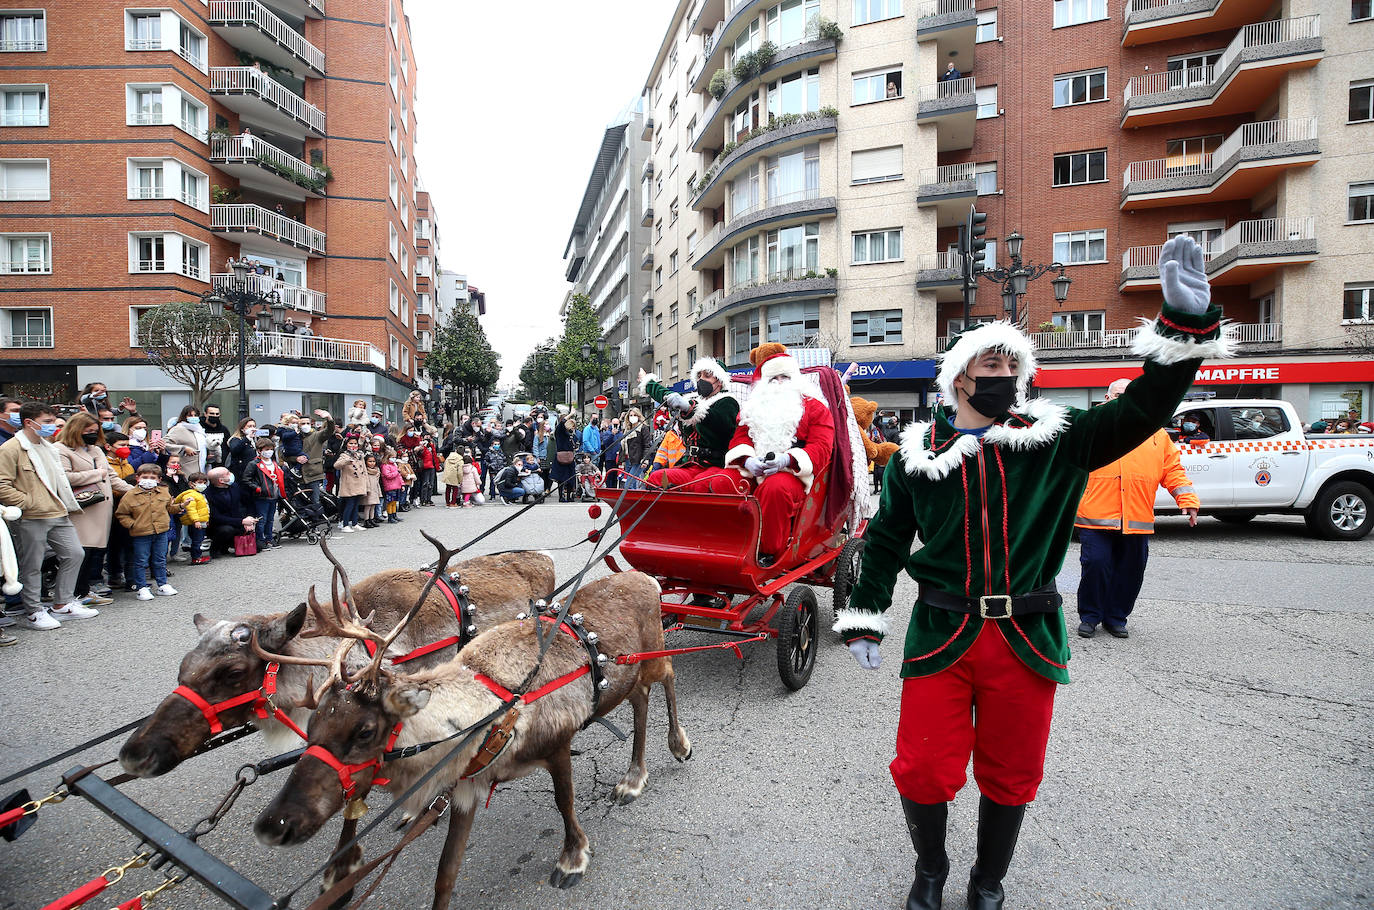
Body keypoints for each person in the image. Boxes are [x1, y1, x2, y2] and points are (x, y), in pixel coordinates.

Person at [835, 235, 1228, 910]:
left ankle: (988, 882)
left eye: (1012, 363)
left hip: (1029, 634)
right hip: (941, 631)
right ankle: (931, 869)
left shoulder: (1059, 439)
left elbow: (1142, 409)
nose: (1003, 370)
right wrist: (865, 616)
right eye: (991, 360)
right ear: (960, 377)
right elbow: (889, 538)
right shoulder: (916, 457)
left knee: (1013, 773)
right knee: (924, 768)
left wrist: (1183, 332)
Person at [1075, 379, 1201, 639]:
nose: (1125, 400)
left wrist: (1187, 500)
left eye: (1130, 395)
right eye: (1119, 395)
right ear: (1107, 399)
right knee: (1096, 565)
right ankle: (1090, 616)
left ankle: (1116, 617)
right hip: (1095, 516)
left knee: (1130, 571)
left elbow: (1172, 470)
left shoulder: (1155, 434)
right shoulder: (1092, 428)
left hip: (1136, 517)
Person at [724, 344, 835, 567]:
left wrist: (788, 460)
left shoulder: (815, 408)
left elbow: (822, 446)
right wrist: (747, 460)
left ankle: (767, 552)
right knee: (723, 483)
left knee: (774, 490)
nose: (780, 382)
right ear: (764, 383)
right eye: (774, 378)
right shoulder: (752, 408)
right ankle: (722, 545)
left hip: (794, 474)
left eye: (785, 376)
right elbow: (740, 438)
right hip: (753, 469)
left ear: (795, 379)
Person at [0, 402, 92, 629]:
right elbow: (2, 484)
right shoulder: (11, 448)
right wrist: (28, 503)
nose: (52, 426)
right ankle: (34, 612)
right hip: (32, 516)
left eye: (53, 421)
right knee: (32, 565)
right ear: (29, 423)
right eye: (47, 422)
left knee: (74, 554)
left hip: (58, 511)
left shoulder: (48, 446)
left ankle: (62, 604)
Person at [54, 412, 129, 605]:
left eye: (95, 431)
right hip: (81, 508)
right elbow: (64, 477)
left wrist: (137, 490)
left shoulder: (95, 450)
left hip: (101, 508)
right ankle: (73, 594)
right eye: (88, 431)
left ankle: (84, 591)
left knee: (95, 553)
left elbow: (111, 478)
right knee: (81, 553)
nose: (92, 434)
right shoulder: (61, 449)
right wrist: (95, 474)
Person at [637, 357, 740, 492]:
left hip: (715, 465)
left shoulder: (727, 402)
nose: (701, 380)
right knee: (657, 478)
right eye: (699, 376)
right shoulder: (693, 399)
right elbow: (668, 395)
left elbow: (716, 421)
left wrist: (690, 408)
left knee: (698, 486)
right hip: (690, 465)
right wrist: (648, 383)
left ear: (719, 381)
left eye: (707, 376)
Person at [115, 462, 180, 601]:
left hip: (161, 531)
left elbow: (169, 508)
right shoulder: (130, 495)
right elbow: (122, 514)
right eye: (145, 476)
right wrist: (132, 525)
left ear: (159, 480)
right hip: (141, 534)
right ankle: (141, 587)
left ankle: (162, 584)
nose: (149, 480)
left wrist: (180, 506)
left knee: (160, 559)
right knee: (141, 561)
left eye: (153, 477)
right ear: (138, 478)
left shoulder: (163, 491)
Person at [241, 437, 285, 549]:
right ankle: (260, 540)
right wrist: (257, 489)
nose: (269, 451)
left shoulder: (274, 463)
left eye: (271, 449)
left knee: (270, 519)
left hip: (273, 495)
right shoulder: (254, 464)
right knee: (262, 520)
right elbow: (246, 479)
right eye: (266, 449)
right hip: (261, 496)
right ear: (259, 450)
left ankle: (269, 539)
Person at [204, 467, 256, 555]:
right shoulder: (208, 494)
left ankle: (232, 544)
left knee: (257, 547)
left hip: (239, 521)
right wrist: (242, 522)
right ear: (221, 480)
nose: (231, 474)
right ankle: (217, 548)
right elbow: (216, 517)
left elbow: (248, 502)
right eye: (228, 473)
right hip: (220, 526)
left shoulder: (234, 486)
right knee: (226, 530)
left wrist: (249, 517)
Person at [298, 409, 335, 502]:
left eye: (307, 423)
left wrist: (329, 419)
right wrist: (296, 458)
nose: (305, 425)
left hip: (314, 474)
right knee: (301, 503)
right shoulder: (294, 437)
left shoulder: (317, 435)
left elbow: (329, 430)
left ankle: (316, 517)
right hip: (298, 475)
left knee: (315, 502)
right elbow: (285, 455)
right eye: (302, 423)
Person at [174, 472, 211, 564]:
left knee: (199, 539)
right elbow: (191, 509)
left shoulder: (199, 494)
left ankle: (197, 556)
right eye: (200, 482)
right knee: (197, 541)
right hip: (195, 522)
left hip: (201, 521)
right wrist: (196, 520)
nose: (202, 485)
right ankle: (196, 557)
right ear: (191, 483)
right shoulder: (190, 495)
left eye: (204, 483)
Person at [333, 439, 367, 532]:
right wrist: (346, 461)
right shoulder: (344, 455)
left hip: (359, 483)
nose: (353, 445)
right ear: (346, 444)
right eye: (351, 443)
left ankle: (355, 523)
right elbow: (336, 465)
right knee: (350, 504)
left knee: (356, 504)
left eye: (355, 443)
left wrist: (366, 483)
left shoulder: (360, 455)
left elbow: (364, 469)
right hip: (349, 484)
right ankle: (345, 524)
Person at [619, 407, 651, 489]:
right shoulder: (627, 429)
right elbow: (624, 445)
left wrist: (645, 460)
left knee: (628, 485)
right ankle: (633, 501)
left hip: (638, 460)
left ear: (639, 416)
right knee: (631, 484)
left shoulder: (643, 428)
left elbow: (647, 445)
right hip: (628, 459)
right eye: (631, 415)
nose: (632, 417)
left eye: (635, 415)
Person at [552, 415, 579, 502]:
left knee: (571, 477)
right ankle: (561, 496)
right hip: (561, 457)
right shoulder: (560, 433)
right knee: (561, 478)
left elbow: (576, 444)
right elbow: (561, 424)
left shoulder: (572, 436)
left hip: (570, 457)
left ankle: (569, 496)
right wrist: (570, 414)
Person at [379, 452, 404, 523]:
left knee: (394, 502)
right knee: (390, 503)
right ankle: (390, 517)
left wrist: (402, 484)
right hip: (390, 487)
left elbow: (399, 476)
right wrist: (396, 472)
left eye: (395, 457)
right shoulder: (385, 466)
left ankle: (394, 515)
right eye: (392, 457)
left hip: (396, 486)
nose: (394, 459)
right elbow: (388, 475)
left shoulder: (394, 465)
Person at [362, 453, 383, 527]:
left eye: (373, 461)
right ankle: (366, 520)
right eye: (370, 461)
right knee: (368, 506)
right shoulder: (365, 471)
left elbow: (377, 483)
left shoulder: (376, 470)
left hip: (375, 489)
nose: (372, 463)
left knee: (373, 505)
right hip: (369, 490)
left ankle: (372, 519)